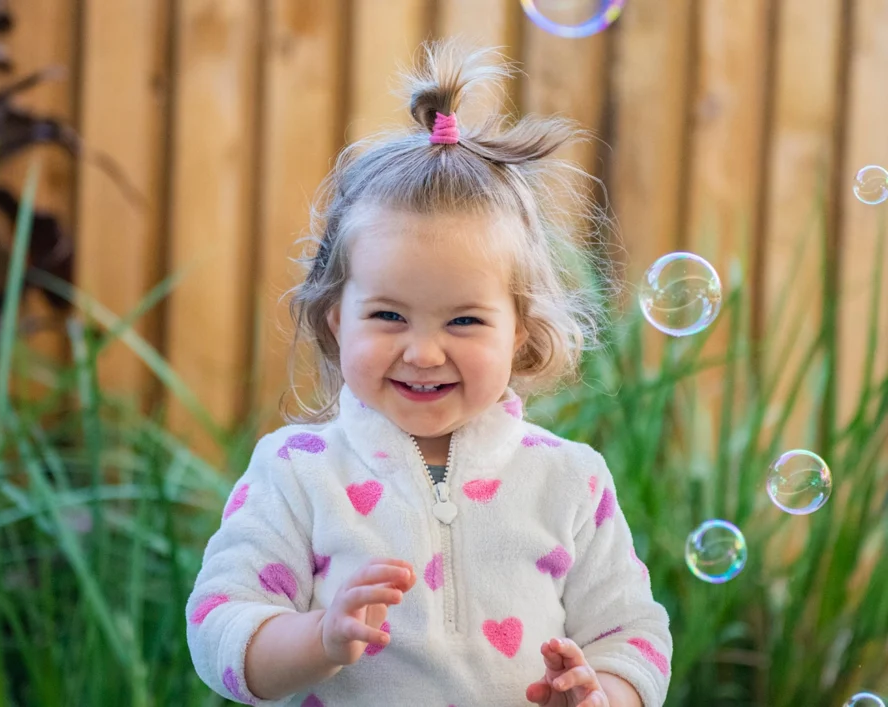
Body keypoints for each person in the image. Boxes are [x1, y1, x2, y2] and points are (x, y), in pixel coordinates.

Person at [186, 39, 672, 707]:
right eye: (388, 315)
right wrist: (318, 637)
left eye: (464, 321)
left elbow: (634, 634)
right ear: (335, 318)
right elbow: (220, 625)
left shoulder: (569, 480)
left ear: (520, 331)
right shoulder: (298, 471)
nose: (422, 352)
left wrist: (605, 693)